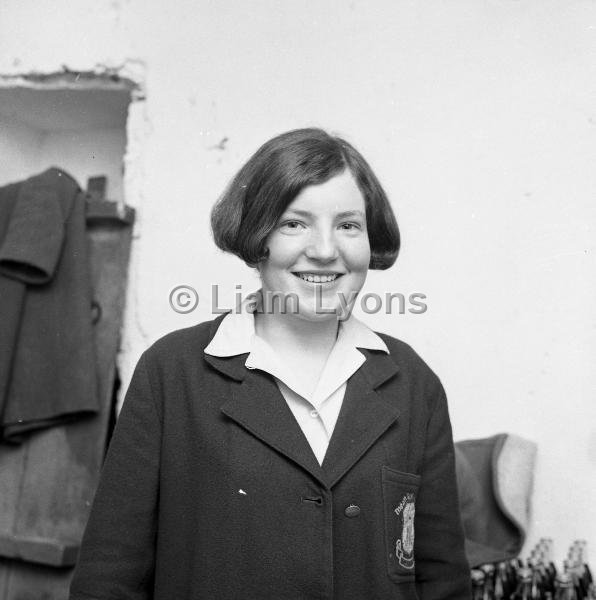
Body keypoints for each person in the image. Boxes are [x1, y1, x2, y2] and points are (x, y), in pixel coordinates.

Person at [69, 128, 471, 599]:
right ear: (257, 238)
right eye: (294, 224)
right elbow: (109, 578)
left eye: (348, 225)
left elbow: (443, 580)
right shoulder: (171, 372)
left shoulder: (413, 382)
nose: (325, 250)